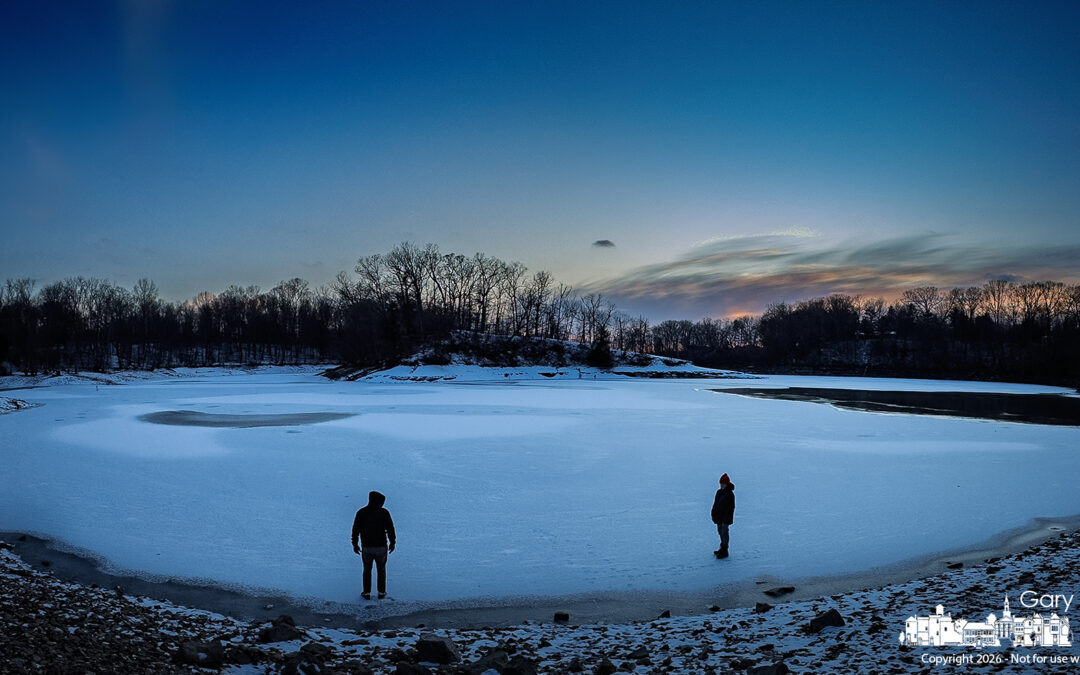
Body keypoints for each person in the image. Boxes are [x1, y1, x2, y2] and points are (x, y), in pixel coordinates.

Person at [351, 491, 396, 599]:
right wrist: (392, 542)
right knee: (381, 570)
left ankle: (366, 593)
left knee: (367, 570)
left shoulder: (361, 512)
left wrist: (355, 544)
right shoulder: (384, 513)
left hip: (367, 547)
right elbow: (390, 528)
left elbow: (355, 529)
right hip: (381, 546)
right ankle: (381, 592)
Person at [710, 473, 735, 559]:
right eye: (721, 483)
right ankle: (722, 548)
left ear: (727, 484)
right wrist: (713, 514)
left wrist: (727, 519)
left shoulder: (730, 494)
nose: (722, 485)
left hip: (725, 518)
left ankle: (725, 550)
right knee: (720, 532)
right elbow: (715, 504)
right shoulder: (719, 492)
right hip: (719, 517)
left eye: (723, 483)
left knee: (724, 533)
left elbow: (731, 508)